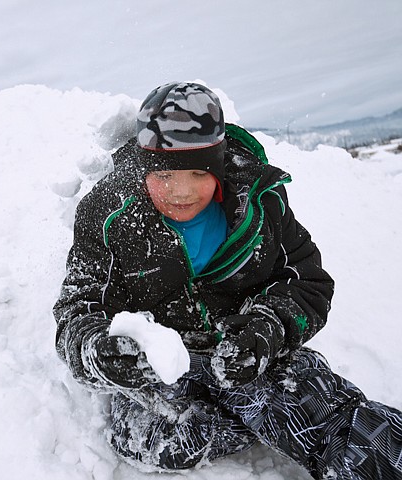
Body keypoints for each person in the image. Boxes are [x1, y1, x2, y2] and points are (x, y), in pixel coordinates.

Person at [54, 82, 402, 479]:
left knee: (328, 415)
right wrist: (99, 352)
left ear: (217, 165)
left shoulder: (258, 203)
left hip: (242, 354)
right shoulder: (108, 216)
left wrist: (267, 330)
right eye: (164, 175)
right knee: (167, 440)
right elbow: (77, 309)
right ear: (143, 165)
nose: (180, 192)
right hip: (158, 373)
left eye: (197, 172)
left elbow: (308, 281)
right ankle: (240, 417)